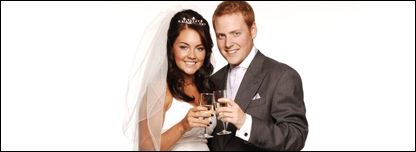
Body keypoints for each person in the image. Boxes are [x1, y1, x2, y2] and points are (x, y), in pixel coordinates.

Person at [209, 1, 308, 151]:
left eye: (236, 33)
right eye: (221, 36)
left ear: (253, 30)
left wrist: (246, 123)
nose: (228, 43)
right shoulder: (213, 80)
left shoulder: (282, 76)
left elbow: (296, 136)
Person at [122, 6, 217, 151]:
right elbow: (145, 148)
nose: (192, 55)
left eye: (199, 48)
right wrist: (182, 126)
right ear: (171, 48)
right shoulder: (160, 89)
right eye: (184, 47)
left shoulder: (206, 88)